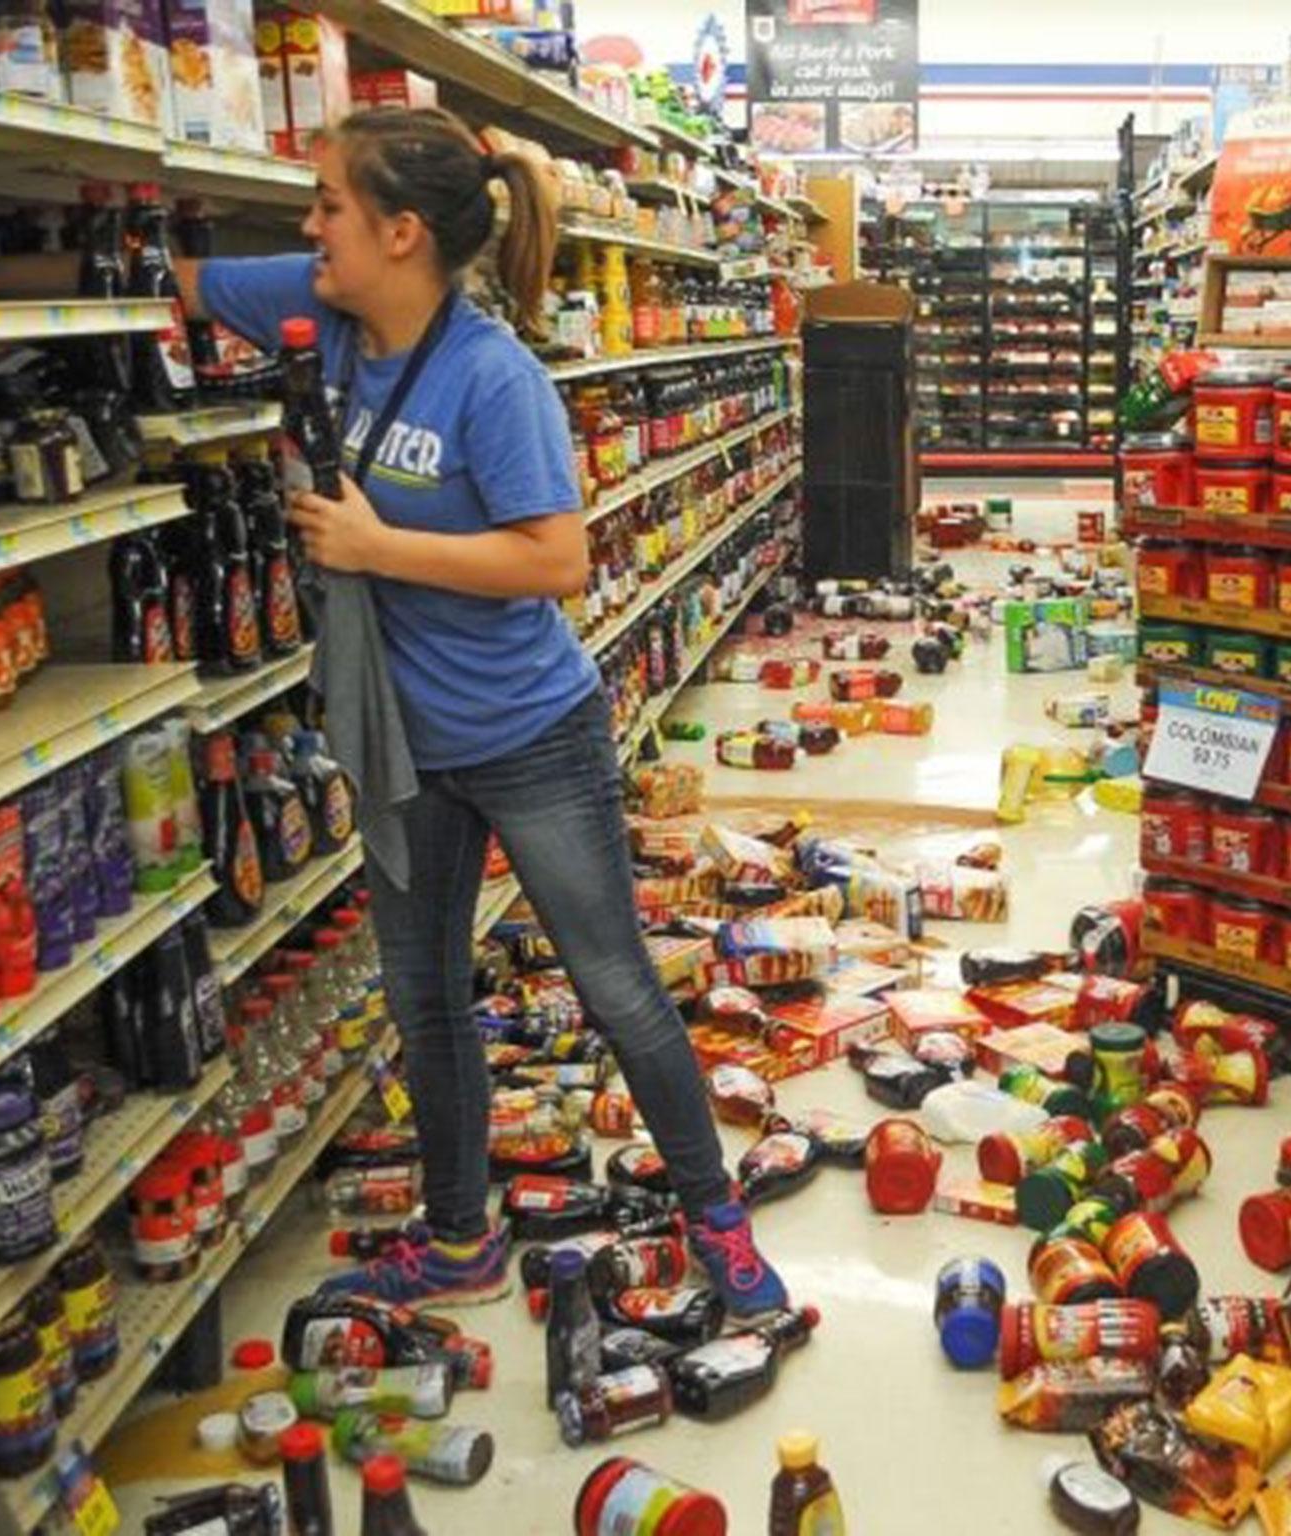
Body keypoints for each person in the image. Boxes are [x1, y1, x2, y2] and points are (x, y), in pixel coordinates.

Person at [180, 107, 788, 1316]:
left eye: (330, 207)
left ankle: (715, 1221)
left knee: (612, 983)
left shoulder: (491, 376)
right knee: (423, 996)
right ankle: (458, 1238)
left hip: (526, 735)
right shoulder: (324, 308)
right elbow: (180, 283)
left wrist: (374, 543)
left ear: (401, 233)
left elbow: (557, 561)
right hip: (400, 745)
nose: (309, 229)